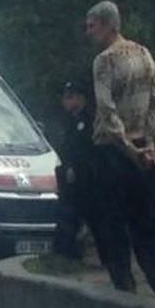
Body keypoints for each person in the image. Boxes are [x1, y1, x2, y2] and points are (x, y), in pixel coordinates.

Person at [84, 0, 155, 300]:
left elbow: (107, 110)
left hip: (112, 151)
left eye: (92, 26)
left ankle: (124, 288)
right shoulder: (144, 53)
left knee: (112, 222)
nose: (89, 32)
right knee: (144, 221)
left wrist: (127, 148)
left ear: (108, 24)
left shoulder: (104, 61)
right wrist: (150, 144)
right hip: (144, 148)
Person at [53, 78, 107, 265]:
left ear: (81, 99)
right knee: (69, 217)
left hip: (86, 178)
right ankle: (68, 254)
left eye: (70, 97)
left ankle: (109, 257)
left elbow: (86, 150)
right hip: (71, 178)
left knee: (95, 218)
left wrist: (76, 168)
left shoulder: (88, 121)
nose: (65, 101)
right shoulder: (70, 121)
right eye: (65, 97)